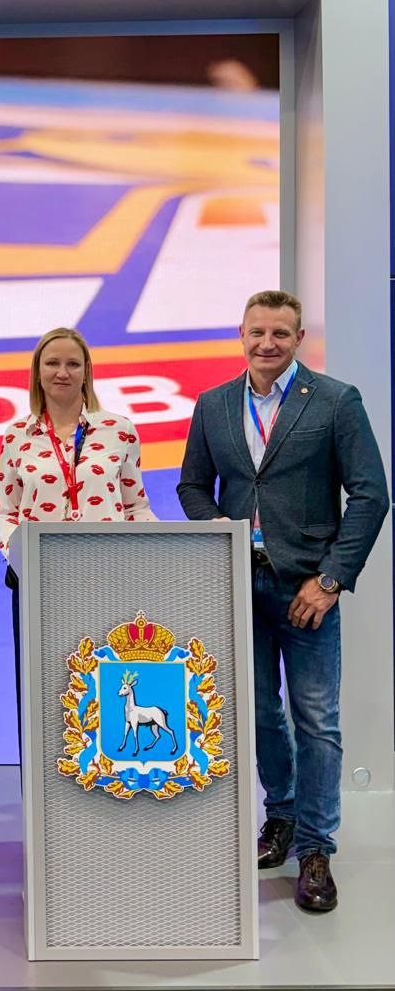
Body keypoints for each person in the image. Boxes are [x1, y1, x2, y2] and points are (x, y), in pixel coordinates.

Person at [177, 290, 388, 914]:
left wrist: (330, 580)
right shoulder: (214, 404)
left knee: (316, 719)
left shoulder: (336, 400)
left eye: (280, 333)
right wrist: (220, 533)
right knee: (261, 714)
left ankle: (317, 848)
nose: (267, 343)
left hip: (308, 591)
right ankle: (283, 817)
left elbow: (371, 496)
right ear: (241, 336)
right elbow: (192, 485)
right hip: (240, 585)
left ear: (298, 338)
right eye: (257, 332)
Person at [0, 327, 156, 751]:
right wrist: (18, 555)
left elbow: (136, 506)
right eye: (52, 363)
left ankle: (102, 778)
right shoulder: (15, 436)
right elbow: (5, 511)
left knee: (102, 684)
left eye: (72, 364)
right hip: (37, 580)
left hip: (108, 578)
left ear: (87, 371)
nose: (62, 372)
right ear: (38, 372)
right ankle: (41, 782)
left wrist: (159, 553)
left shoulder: (119, 430)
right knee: (42, 686)